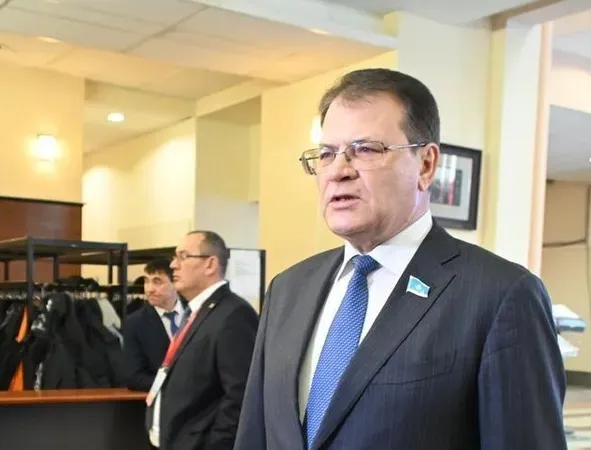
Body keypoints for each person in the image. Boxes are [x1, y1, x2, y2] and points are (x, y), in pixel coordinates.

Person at [234, 68, 567, 450]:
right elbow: (255, 435)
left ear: (426, 164)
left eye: (365, 149)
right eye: (326, 154)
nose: (338, 171)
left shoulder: (500, 296)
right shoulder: (288, 289)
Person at [147, 231, 259, 450]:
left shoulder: (233, 314)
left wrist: (214, 444)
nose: (173, 265)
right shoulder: (195, 312)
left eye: (183, 256)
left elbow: (240, 395)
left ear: (210, 264)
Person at [122, 259, 186, 392]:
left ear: (175, 283)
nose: (149, 289)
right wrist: (176, 385)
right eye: (146, 281)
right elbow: (134, 378)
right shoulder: (135, 323)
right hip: (162, 398)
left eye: (157, 282)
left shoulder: (195, 312)